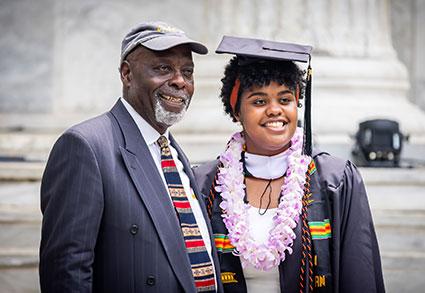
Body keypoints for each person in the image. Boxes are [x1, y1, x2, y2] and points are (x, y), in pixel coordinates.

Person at [39, 21, 223, 293]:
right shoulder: (86, 146)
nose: (179, 81)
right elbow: (67, 270)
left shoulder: (173, 153)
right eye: (163, 68)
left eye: (187, 71)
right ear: (127, 74)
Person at [193, 36, 385, 293]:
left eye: (285, 100)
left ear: (297, 104)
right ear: (237, 111)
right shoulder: (205, 184)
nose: (275, 110)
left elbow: (359, 276)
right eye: (259, 101)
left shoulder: (335, 181)